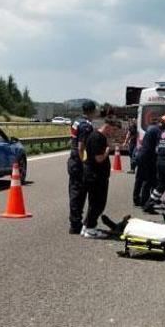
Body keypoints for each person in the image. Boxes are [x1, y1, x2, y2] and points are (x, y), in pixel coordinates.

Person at [82, 118, 122, 239]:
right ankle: (90, 229)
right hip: (96, 176)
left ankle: (86, 226)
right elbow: (98, 159)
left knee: (94, 203)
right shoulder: (97, 138)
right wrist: (107, 150)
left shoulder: (98, 136)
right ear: (108, 126)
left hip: (96, 175)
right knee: (98, 204)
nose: (113, 133)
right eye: (113, 130)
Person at [67, 100, 96, 234]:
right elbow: (81, 147)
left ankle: (75, 221)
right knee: (79, 193)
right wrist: (85, 162)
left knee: (74, 191)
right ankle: (76, 223)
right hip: (79, 162)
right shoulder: (86, 126)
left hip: (72, 160)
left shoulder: (76, 121)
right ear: (92, 111)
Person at [133, 117, 160, 207]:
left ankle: (136, 199)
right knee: (148, 180)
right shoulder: (157, 130)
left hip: (141, 155)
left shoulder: (149, 129)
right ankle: (145, 202)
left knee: (139, 179)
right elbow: (157, 147)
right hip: (148, 158)